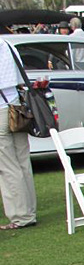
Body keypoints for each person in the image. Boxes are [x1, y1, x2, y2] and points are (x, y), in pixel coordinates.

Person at [0, 41, 36, 230]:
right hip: (17, 107)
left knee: (7, 166)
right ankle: (28, 211)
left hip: (2, 109)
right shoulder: (8, 45)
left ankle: (20, 215)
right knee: (22, 161)